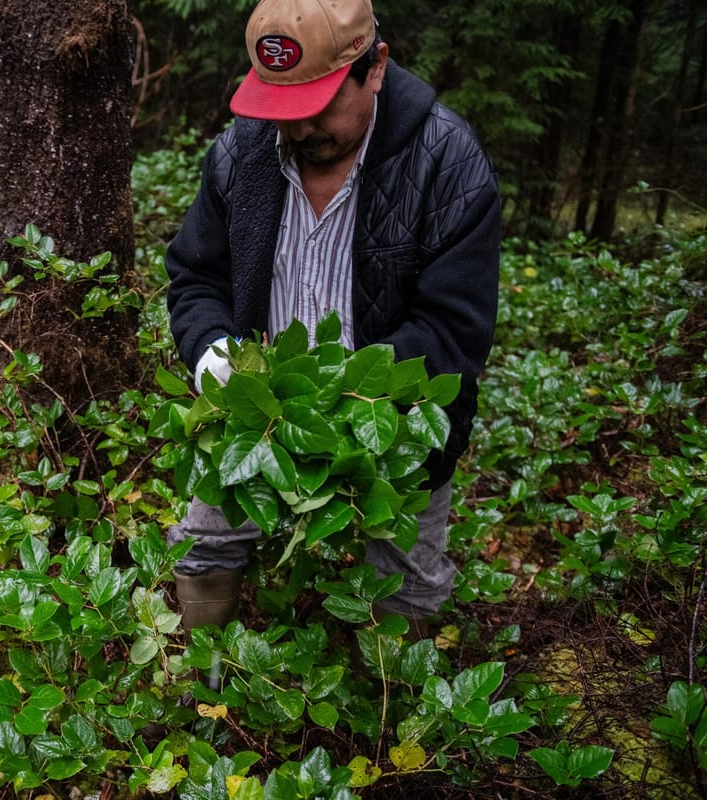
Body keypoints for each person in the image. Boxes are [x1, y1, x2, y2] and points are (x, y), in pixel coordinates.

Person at [164, 0, 501, 638]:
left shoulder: (447, 164)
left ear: (374, 68)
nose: (297, 129)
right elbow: (196, 275)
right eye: (282, 110)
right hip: (257, 416)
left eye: (317, 106)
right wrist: (213, 353)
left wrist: (345, 398)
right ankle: (204, 699)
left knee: (408, 585)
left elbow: (454, 330)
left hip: (394, 425)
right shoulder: (241, 154)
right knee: (203, 547)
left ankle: (386, 722)